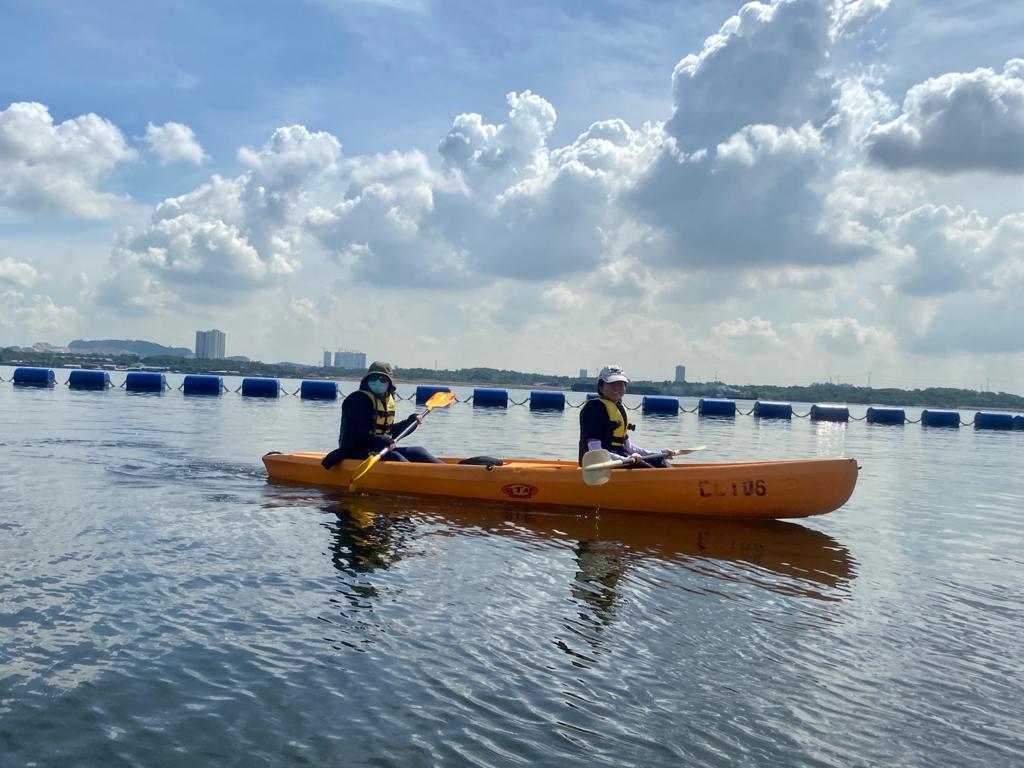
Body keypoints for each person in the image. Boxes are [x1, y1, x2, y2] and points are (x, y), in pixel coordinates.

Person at [321, 361, 443, 469]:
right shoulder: (358, 400)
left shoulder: (387, 399)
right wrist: (384, 441)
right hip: (355, 451)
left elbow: (389, 432)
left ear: (389, 382)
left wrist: (411, 421)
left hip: (379, 449)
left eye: (382, 379)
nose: (377, 382)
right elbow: (356, 433)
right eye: (373, 378)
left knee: (418, 452)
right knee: (397, 458)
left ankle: (451, 471)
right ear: (367, 380)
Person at [578, 364, 669, 468]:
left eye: (621, 384)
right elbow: (595, 450)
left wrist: (658, 454)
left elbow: (630, 448)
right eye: (612, 384)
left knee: (661, 462)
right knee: (648, 469)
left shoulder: (619, 408)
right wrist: (626, 459)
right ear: (601, 387)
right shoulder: (595, 409)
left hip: (619, 459)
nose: (617, 388)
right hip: (597, 465)